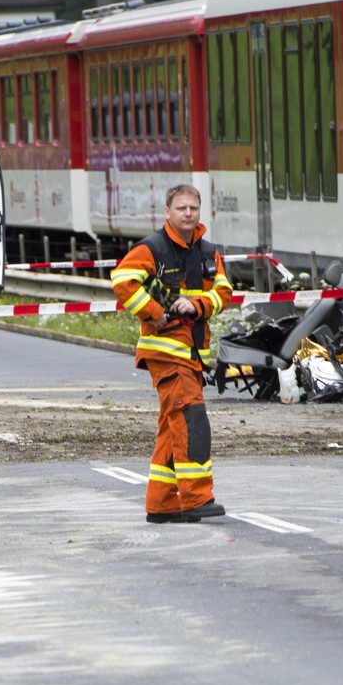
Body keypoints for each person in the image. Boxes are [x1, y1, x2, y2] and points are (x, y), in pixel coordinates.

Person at [111, 184, 233, 524]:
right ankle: (196, 497)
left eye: (193, 208)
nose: (188, 214)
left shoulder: (208, 252)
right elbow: (122, 280)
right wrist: (155, 310)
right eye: (182, 208)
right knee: (191, 422)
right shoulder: (152, 248)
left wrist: (196, 305)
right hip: (166, 354)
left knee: (172, 426)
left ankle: (162, 503)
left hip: (192, 355)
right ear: (167, 212)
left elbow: (224, 293)